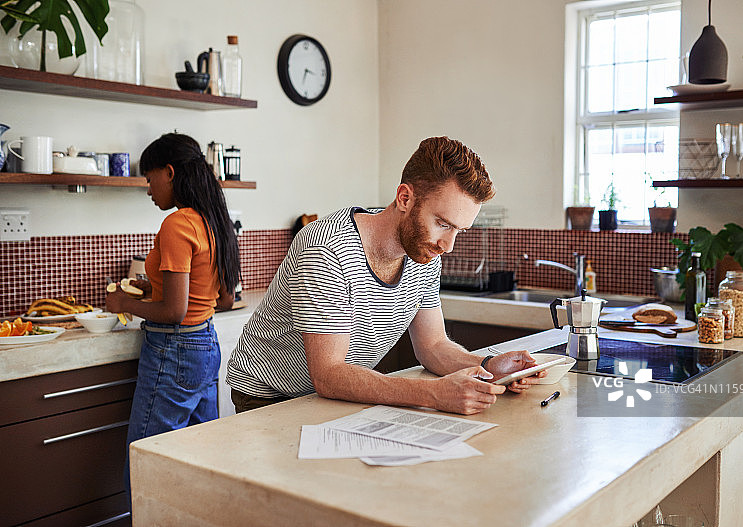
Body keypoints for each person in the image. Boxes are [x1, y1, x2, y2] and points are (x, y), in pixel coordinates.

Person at [226, 136, 543, 416]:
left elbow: (432, 345)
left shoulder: (424, 252)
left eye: (459, 230)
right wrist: (434, 394)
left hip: (329, 398)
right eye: (443, 223)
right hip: (269, 399)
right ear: (405, 198)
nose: (448, 245)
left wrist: (486, 367)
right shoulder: (328, 248)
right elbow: (329, 374)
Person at [106, 133, 240, 508]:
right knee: (200, 460)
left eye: (150, 179)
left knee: (146, 460)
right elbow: (221, 297)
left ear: (169, 172)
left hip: (173, 349)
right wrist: (152, 286)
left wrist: (122, 301)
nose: (149, 190)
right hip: (205, 345)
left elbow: (174, 312)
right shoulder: (213, 220)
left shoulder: (177, 224)